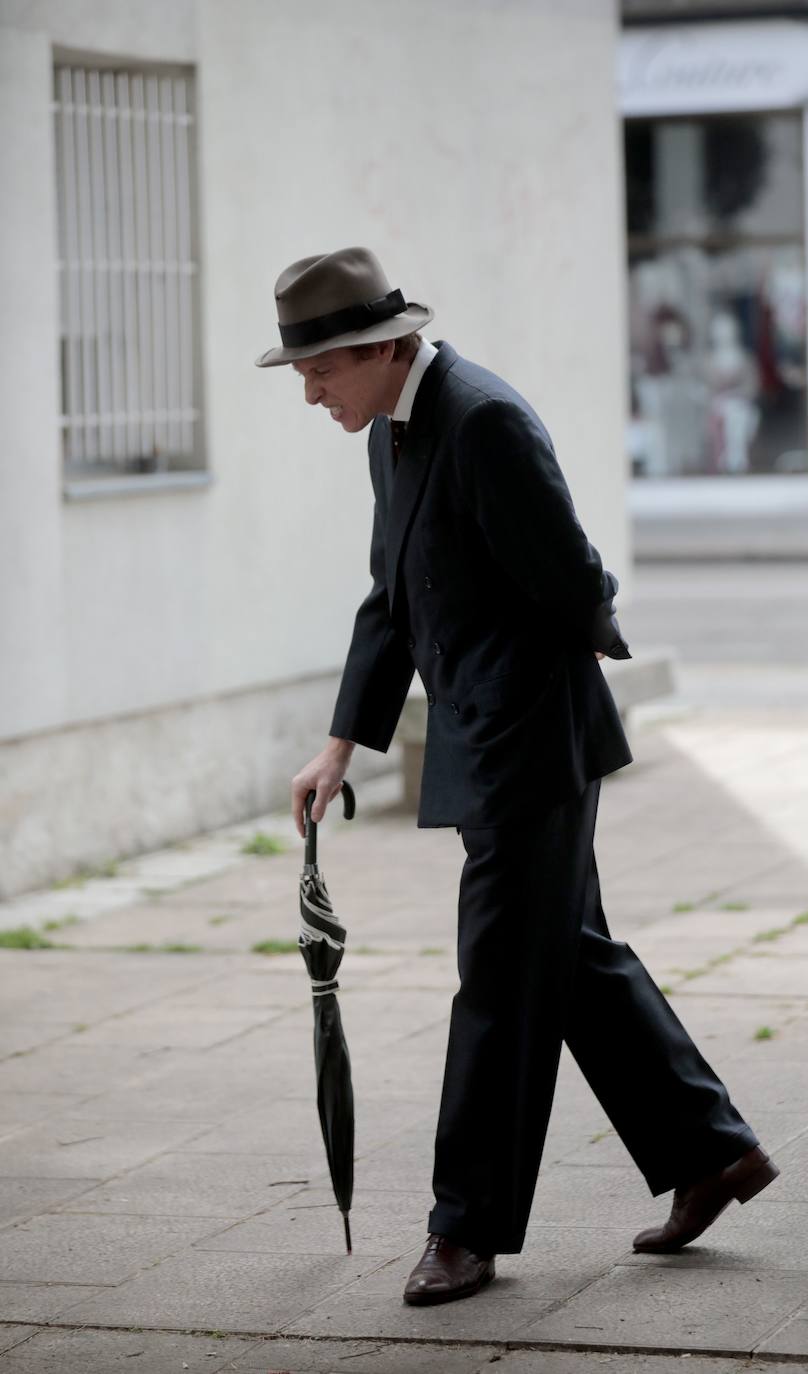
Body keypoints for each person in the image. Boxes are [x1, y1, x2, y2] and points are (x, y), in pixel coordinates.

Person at [255, 246, 779, 1307]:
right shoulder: (390, 435)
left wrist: (591, 643)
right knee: (566, 956)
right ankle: (711, 1152)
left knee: (497, 977)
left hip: (532, 741)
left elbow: (574, 569)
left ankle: (465, 1228)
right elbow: (388, 600)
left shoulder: (483, 418)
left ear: (381, 348)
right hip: (480, 735)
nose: (309, 392)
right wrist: (340, 742)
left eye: (320, 371)